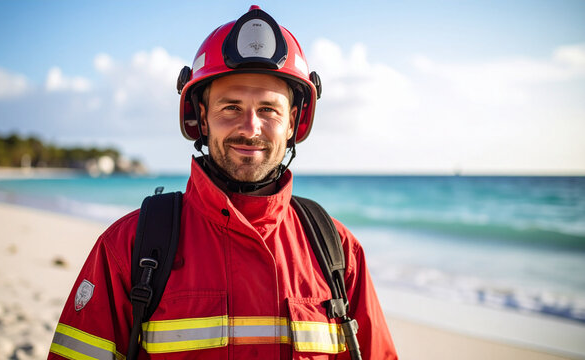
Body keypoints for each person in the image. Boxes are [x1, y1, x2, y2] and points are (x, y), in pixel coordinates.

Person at [48, 6, 397, 360]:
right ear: (202, 116)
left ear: (292, 122)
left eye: (268, 109)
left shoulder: (338, 252)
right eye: (230, 107)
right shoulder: (128, 248)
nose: (250, 128)